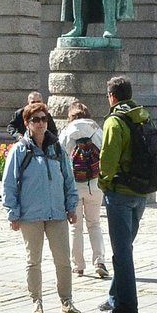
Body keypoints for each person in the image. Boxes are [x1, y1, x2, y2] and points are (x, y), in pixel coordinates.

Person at [0, 98, 80, 313]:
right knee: (33, 260)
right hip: (30, 215)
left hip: (57, 213)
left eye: (44, 119)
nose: (41, 123)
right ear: (27, 123)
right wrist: (12, 213)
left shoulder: (56, 148)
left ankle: (67, 301)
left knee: (63, 260)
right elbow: (9, 184)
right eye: (36, 120)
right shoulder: (20, 150)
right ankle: (37, 301)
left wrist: (71, 206)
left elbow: (68, 178)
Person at [97, 75, 154, 313]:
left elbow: (107, 160)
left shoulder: (114, 122)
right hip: (141, 192)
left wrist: (103, 185)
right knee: (125, 248)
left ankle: (127, 307)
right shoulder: (142, 116)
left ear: (112, 96)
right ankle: (113, 298)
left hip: (119, 192)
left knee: (121, 253)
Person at [59, 100, 110, 281]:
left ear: (70, 117)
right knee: (94, 224)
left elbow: (61, 160)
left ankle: (78, 266)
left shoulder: (66, 133)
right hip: (95, 184)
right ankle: (99, 262)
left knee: (75, 227)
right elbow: (106, 154)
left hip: (74, 185)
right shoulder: (97, 131)